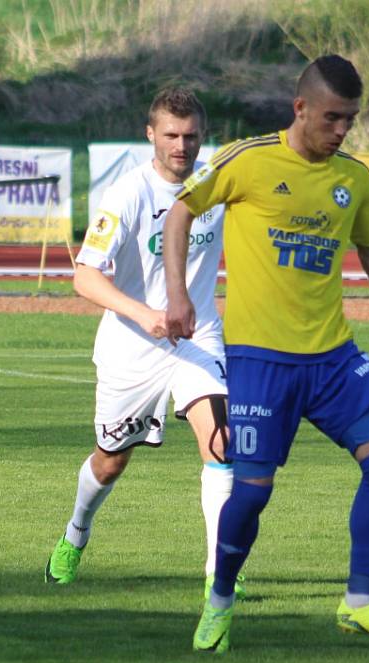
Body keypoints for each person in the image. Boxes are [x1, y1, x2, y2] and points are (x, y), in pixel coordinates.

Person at [163, 55, 369, 654]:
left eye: (350, 119)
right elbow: (181, 211)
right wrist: (176, 295)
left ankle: (361, 602)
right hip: (261, 361)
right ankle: (219, 601)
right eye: (332, 118)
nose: (342, 130)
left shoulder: (354, 178)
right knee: (251, 493)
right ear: (301, 109)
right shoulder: (247, 160)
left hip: (331, 358)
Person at [44, 87, 244, 600]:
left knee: (221, 444)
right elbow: (85, 278)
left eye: (192, 136)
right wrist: (145, 315)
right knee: (111, 460)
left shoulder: (215, 186)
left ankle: (218, 575)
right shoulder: (129, 193)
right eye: (172, 135)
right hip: (132, 348)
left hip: (198, 340)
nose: (182, 145)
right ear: (150, 134)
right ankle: (75, 534)